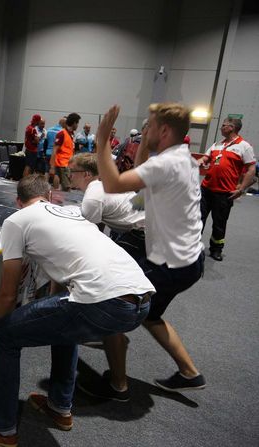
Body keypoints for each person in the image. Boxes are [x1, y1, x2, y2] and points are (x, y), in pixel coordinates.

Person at [0, 175, 154, 447]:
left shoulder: (16, 221)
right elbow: (70, 268)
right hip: (141, 300)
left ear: (18, 202)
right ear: (49, 196)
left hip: (103, 302)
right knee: (65, 323)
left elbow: (7, 292)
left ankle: (2, 429)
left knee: (4, 335)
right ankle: (60, 407)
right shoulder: (74, 213)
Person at [80, 103, 206, 401]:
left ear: (163, 130)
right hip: (188, 260)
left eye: (149, 125)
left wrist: (101, 141)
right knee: (152, 317)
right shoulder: (180, 158)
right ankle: (190, 373)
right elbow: (140, 171)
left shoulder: (166, 164)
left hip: (170, 264)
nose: (144, 130)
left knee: (112, 303)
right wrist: (143, 146)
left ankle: (118, 386)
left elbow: (111, 184)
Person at [197, 117, 256, 261]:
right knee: (198, 219)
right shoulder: (217, 144)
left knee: (219, 223)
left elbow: (251, 169)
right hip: (206, 189)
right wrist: (198, 162)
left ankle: (216, 249)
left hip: (225, 193)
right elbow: (205, 158)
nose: (221, 127)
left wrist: (241, 189)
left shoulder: (244, 146)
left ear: (232, 127)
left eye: (224, 125)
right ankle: (192, 246)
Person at [69, 152, 146, 259]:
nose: (69, 175)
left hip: (144, 231)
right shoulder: (101, 186)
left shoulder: (92, 197)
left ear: (86, 174)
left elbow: (89, 236)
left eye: (72, 171)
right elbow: (98, 225)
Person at [49, 113, 80, 191]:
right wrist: (52, 167)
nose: (77, 125)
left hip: (66, 163)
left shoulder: (71, 134)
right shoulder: (62, 133)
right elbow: (54, 150)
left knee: (62, 186)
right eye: (77, 123)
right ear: (74, 123)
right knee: (67, 188)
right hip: (63, 164)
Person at [23, 114, 43, 178]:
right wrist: (41, 137)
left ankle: (25, 179)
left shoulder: (28, 127)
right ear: (37, 121)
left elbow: (28, 139)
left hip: (28, 149)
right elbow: (37, 141)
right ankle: (26, 179)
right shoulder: (33, 129)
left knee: (27, 165)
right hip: (32, 150)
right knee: (29, 166)